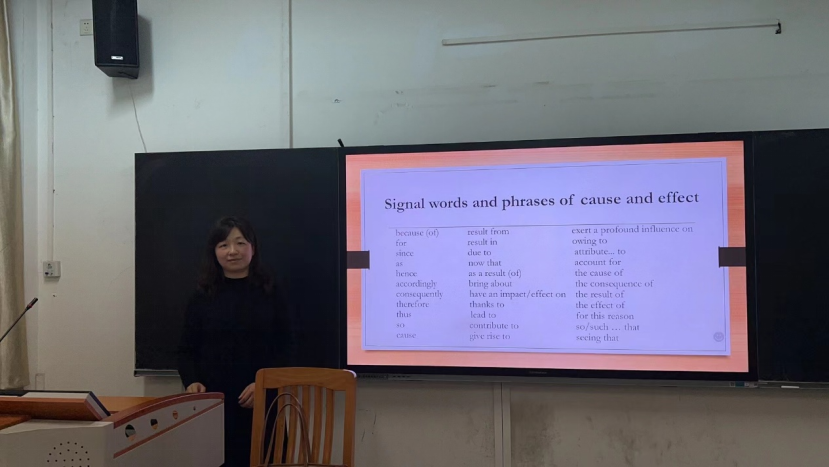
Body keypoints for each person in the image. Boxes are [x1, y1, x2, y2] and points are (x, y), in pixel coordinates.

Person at [178, 216, 295, 467]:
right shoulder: (201, 296)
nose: (232, 251)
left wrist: (264, 383)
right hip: (213, 406)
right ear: (214, 252)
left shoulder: (271, 292)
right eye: (224, 245)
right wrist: (192, 381)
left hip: (263, 402)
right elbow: (186, 349)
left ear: (253, 247)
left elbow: (287, 346)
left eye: (240, 243)